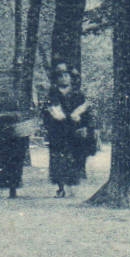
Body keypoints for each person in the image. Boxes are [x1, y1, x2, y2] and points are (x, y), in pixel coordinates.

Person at [41, 62, 97, 198]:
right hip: (58, 132)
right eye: (60, 76)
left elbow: (87, 113)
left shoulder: (78, 95)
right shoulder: (52, 95)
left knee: (75, 157)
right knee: (58, 159)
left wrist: (83, 123)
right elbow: (46, 113)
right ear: (56, 79)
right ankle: (60, 188)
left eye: (66, 75)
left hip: (74, 131)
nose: (63, 78)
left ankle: (72, 186)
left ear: (71, 78)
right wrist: (53, 116)